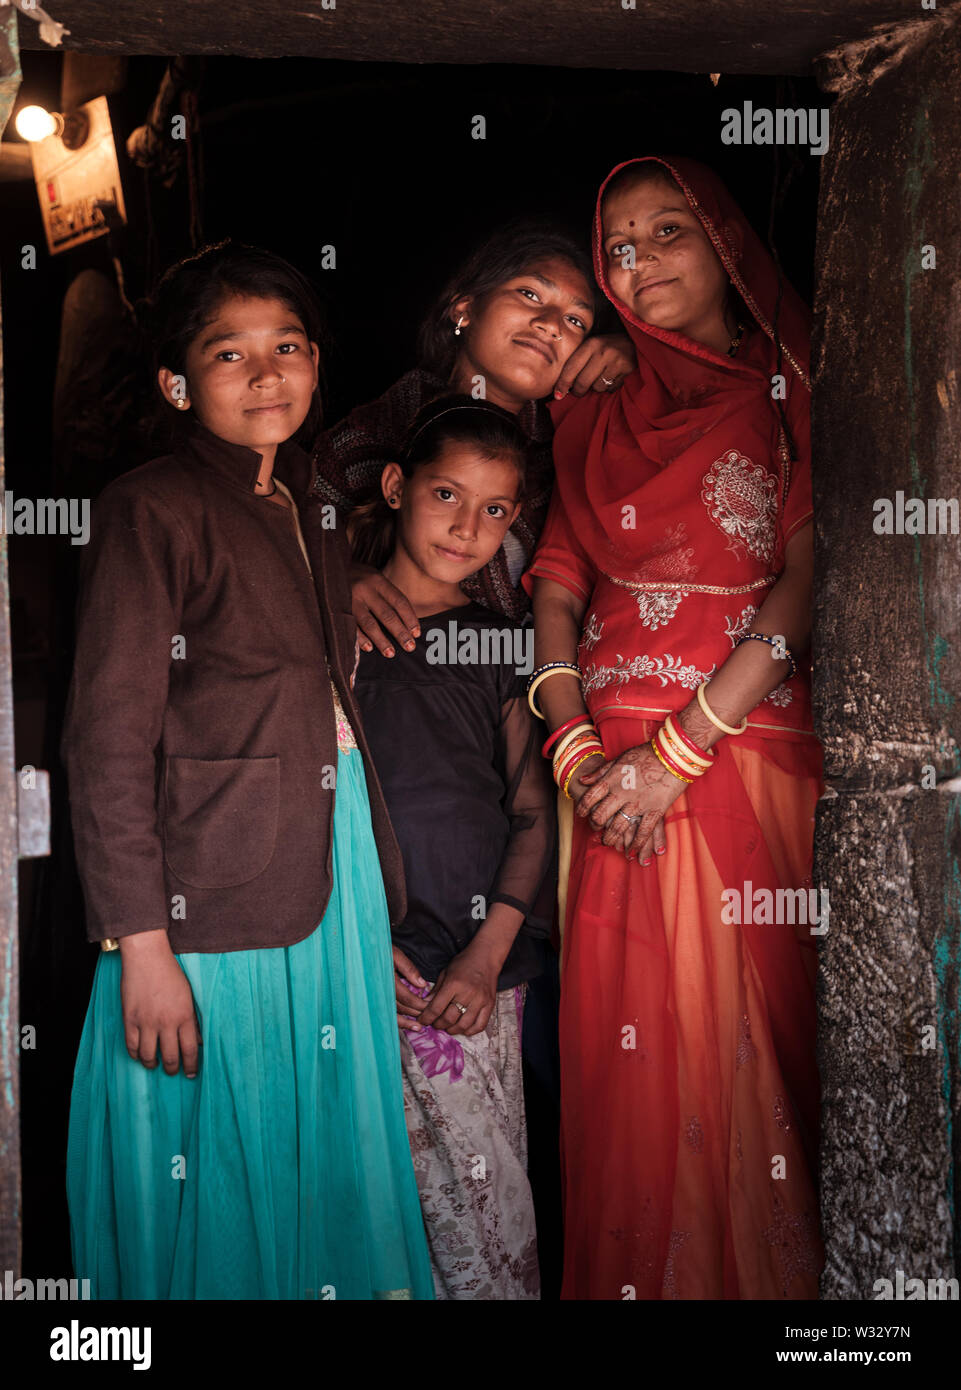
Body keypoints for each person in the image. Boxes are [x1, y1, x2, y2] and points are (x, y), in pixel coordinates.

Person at [62, 240, 434, 1301]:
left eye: (290, 347)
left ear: (318, 365)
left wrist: (350, 580)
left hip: (332, 854)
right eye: (230, 354)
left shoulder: (308, 497)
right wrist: (140, 942)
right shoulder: (151, 507)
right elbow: (106, 737)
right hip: (209, 885)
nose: (268, 374)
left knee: (320, 1112)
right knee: (220, 1120)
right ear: (178, 382)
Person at [525, 156, 823, 1300]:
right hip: (601, 787)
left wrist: (675, 755)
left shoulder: (792, 392)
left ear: (729, 246)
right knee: (633, 1082)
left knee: (747, 1074)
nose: (639, 261)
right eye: (620, 247)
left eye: (667, 233)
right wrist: (580, 751)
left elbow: (802, 583)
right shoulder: (589, 412)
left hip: (735, 766)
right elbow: (555, 587)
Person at [348, 396, 555, 1299]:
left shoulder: (502, 646)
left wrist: (484, 955)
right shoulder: (332, 634)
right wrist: (351, 939)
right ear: (395, 487)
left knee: (483, 1207)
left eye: (496, 510)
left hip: (474, 972)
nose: (468, 527)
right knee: (369, 1205)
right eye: (445, 495)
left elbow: (533, 812)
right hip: (353, 963)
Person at [313, 220, 636, 644]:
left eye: (576, 320)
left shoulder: (579, 451)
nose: (552, 324)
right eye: (530, 294)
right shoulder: (368, 435)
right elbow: (277, 539)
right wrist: (337, 577)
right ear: (464, 308)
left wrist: (642, 359)